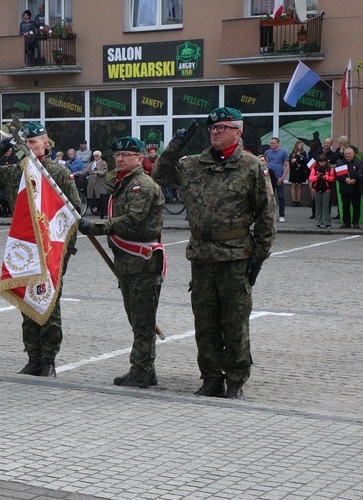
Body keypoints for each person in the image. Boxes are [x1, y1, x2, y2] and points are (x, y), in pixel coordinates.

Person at [153, 107, 276, 400]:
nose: (215, 132)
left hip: (235, 256)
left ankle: (235, 380)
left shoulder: (251, 166)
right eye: (212, 128)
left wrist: (259, 256)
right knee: (205, 321)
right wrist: (176, 145)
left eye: (222, 127)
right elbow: (159, 175)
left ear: (238, 131)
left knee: (234, 321)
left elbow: (267, 214)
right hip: (202, 255)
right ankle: (210, 378)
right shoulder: (195, 164)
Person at [0, 121, 81, 377]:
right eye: (24, 143)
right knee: (26, 300)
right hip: (24, 248)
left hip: (50, 249)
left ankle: (48, 360)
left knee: (49, 303)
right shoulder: (15, 173)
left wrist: (64, 251)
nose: (28, 147)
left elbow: (73, 213)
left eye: (32, 142)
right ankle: (33, 356)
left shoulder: (56, 173)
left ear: (46, 144)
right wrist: (0, 149)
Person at [78, 136, 164, 388]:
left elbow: (131, 221)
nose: (119, 159)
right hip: (128, 263)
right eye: (117, 156)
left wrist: (96, 227)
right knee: (137, 320)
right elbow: (105, 179)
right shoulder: (124, 183)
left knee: (143, 322)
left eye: (126, 155)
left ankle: (141, 372)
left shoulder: (141, 186)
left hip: (142, 263)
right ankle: (144, 368)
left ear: (140, 158)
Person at [335, 147, 362, 228]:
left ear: (353, 154)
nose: (347, 155)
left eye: (349, 153)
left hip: (356, 188)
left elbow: (360, 173)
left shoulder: (359, 163)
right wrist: (345, 179)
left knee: (356, 206)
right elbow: (337, 175)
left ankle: (355, 222)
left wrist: (355, 180)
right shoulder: (340, 163)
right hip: (344, 188)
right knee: (345, 206)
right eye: (346, 154)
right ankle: (346, 222)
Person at [264, 137, 289, 222]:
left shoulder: (283, 152)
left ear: (278, 143)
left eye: (273, 143)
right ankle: (270, 214)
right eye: (270, 143)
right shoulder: (267, 152)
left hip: (278, 177)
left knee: (280, 196)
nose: (271, 144)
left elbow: (287, 165)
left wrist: (282, 177)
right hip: (269, 177)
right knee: (270, 197)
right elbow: (264, 164)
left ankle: (282, 215)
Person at [80, 150, 109, 218]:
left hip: (99, 181)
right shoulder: (92, 163)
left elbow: (105, 171)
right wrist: (79, 173)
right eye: (94, 156)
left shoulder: (103, 163)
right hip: (91, 182)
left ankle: (100, 209)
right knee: (92, 195)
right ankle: (95, 208)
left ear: (100, 156)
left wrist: (98, 172)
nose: (95, 157)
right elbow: (86, 170)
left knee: (99, 195)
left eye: (97, 156)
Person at [308, 154, 335, 228]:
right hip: (316, 189)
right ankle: (317, 222)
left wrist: (326, 177)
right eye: (320, 162)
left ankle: (327, 222)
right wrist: (317, 176)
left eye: (323, 161)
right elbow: (310, 178)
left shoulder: (330, 169)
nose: (322, 163)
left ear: (326, 161)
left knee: (325, 206)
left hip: (326, 189)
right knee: (318, 206)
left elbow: (332, 178)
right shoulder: (315, 168)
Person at [289, 140, 309, 207]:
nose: (300, 147)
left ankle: (298, 200)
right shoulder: (292, 154)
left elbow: (306, 162)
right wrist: (295, 164)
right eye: (299, 145)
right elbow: (291, 163)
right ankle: (294, 201)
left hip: (301, 171)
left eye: (301, 145)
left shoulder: (304, 153)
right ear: (296, 146)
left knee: (300, 186)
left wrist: (300, 163)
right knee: (293, 185)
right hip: (294, 171)